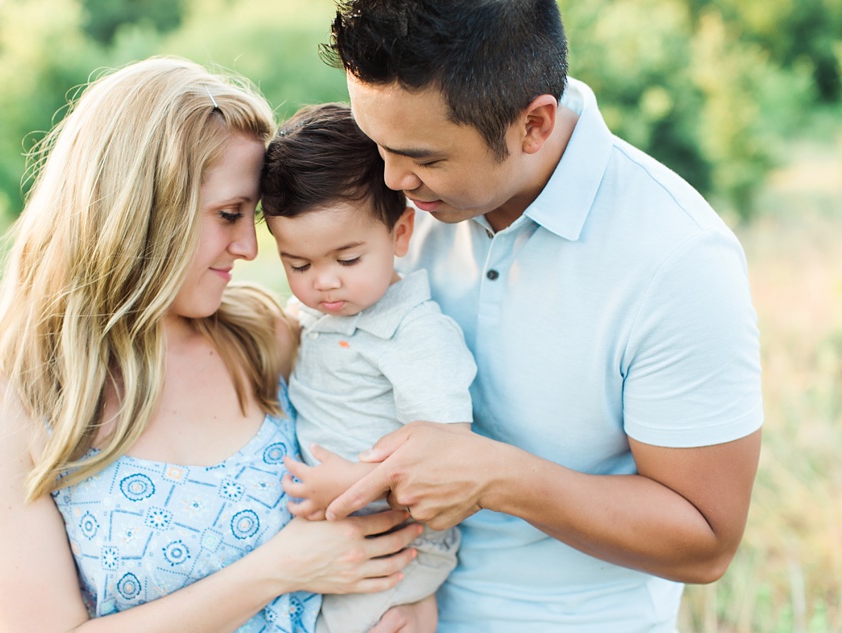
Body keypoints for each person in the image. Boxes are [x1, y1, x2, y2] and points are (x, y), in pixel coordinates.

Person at [292, 1, 765, 630]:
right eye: (376, 142)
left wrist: (498, 477)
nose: (391, 177)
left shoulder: (676, 260)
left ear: (534, 126)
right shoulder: (393, 197)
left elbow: (707, 541)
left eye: (423, 157)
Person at [0, 56, 422, 633]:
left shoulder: (266, 336)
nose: (249, 248)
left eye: (253, 219)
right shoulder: (10, 403)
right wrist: (278, 570)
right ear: (144, 210)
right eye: (228, 215)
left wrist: (410, 605)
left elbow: (392, 475)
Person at [259, 103, 477, 633]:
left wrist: (356, 484)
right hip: (340, 534)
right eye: (299, 265)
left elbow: (453, 465)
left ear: (400, 235)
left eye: (347, 260)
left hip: (400, 543)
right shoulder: (313, 311)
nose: (324, 282)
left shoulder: (416, 334)